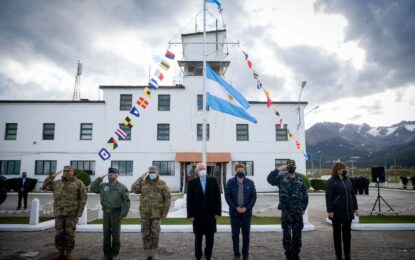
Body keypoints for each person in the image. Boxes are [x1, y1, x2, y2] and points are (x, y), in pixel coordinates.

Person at [42, 165, 87, 260]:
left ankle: (69, 253)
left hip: (72, 213)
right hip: (59, 212)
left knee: (70, 233)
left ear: (73, 172)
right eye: (65, 171)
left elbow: (84, 197)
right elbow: (45, 186)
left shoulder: (78, 183)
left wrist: (80, 211)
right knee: (59, 233)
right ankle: (60, 252)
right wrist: (52, 176)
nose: (67, 172)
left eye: (69, 171)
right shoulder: (57, 183)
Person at [267, 159, 308, 260]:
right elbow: (270, 179)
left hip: (298, 212)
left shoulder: (300, 179)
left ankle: (296, 254)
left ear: (295, 166)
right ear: (287, 167)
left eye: (292, 165)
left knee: (297, 235)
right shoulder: (281, 178)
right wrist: (279, 169)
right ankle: (288, 255)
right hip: (286, 212)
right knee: (286, 235)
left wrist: (303, 207)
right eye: (289, 165)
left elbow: (305, 195)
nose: (291, 167)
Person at [131, 166, 171, 260]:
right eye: (150, 172)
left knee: (155, 234)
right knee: (145, 234)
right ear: (148, 172)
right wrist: (141, 177)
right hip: (145, 214)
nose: (152, 173)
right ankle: (146, 254)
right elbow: (133, 189)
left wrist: (165, 212)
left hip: (156, 214)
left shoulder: (162, 184)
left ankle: (154, 253)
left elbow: (168, 198)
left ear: (157, 173)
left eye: (153, 171)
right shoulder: (143, 183)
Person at [90, 168, 130, 260]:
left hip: (116, 214)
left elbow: (126, 202)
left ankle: (114, 254)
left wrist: (123, 214)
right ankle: (106, 254)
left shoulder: (122, 187)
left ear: (116, 175)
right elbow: (92, 189)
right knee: (106, 235)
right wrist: (99, 179)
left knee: (116, 235)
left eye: (111, 174)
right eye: (108, 174)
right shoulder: (103, 186)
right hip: (106, 213)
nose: (109, 176)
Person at [187, 163, 222, 260]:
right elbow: (189, 200)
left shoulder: (213, 181)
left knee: (210, 238)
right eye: (200, 169)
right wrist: (190, 215)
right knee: (198, 238)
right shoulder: (192, 183)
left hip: (211, 215)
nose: (202, 170)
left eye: (204, 168)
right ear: (197, 172)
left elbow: (217, 198)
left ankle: (208, 255)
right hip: (197, 216)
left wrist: (218, 212)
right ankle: (198, 256)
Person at [326, 162, 359, 260]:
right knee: (337, 235)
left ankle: (347, 255)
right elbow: (328, 197)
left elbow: (352, 195)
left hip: (348, 211)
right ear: (336, 170)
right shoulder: (331, 181)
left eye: (344, 168)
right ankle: (339, 256)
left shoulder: (348, 180)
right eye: (341, 168)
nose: (343, 170)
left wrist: (355, 208)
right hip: (336, 211)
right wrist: (330, 210)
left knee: (347, 235)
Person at [225, 163, 257, 260]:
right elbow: (227, 197)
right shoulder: (230, 182)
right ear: (235, 171)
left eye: (241, 170)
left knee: (246, 234)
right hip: (234, 213)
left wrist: (246, 208)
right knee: (235, 234)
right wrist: (235, 208)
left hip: (246, 213)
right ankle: (236, 254)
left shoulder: (250, 182)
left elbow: (253, 197)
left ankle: (245, 254)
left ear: (244, 171)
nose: (240, 172)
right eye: (238, 171)